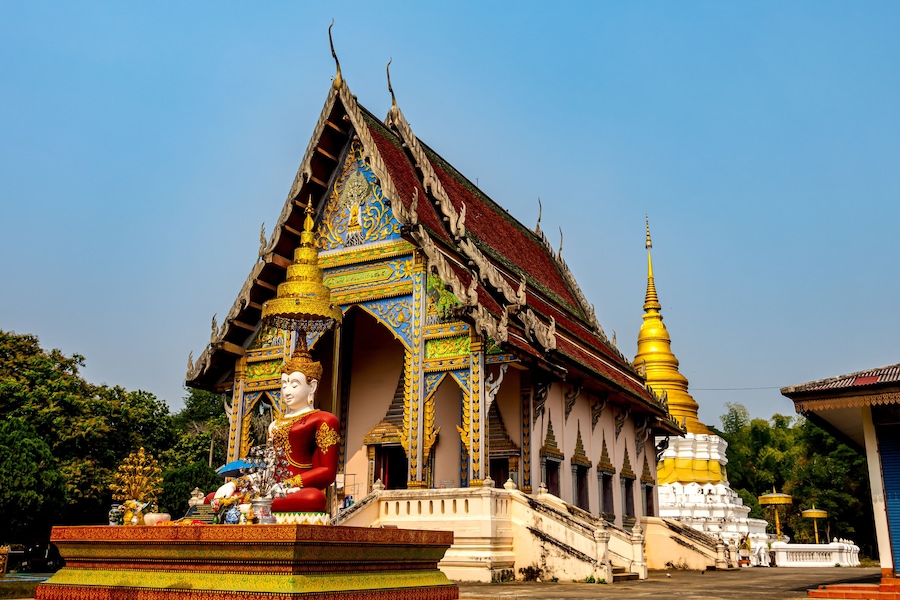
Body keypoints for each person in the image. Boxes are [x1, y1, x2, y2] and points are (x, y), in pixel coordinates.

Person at [268, 343, 340, 514]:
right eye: (284, 384)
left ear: (312, 387)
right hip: (271, 489)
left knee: (314, 499)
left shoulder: (323, 419)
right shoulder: (274, 425)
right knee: (213, 498)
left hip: (297, 490)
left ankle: (259, 505)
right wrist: (235, 483)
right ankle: (259, 503)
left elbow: (327, 472)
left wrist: (288, 484)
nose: (286, 391)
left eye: (294, 384)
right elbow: (269, 467)